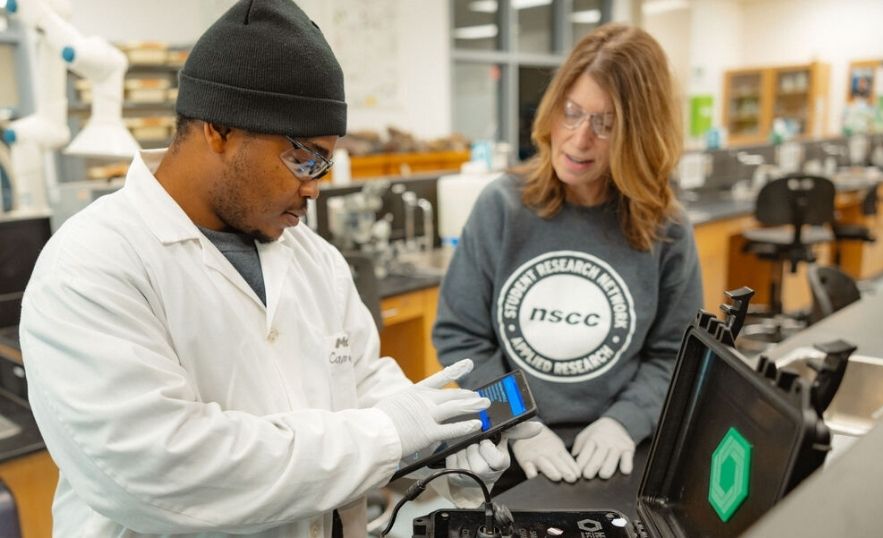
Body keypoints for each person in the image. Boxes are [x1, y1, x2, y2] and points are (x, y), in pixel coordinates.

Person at [19, 2, 538, 537]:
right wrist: (385, 435)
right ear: (219, 129)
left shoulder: (313, 258)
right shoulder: (91, 266)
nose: (316, 186)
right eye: (305, 159)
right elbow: (160, 467)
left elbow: (358, 381)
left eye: (327, 164)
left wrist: (440, 446)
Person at [433, 23, 703, 489]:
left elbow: (675, 353)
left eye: (606, 125)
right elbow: (461, 338)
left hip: (616, 448)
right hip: (509, 445)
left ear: (639, 136)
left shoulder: (666, 229)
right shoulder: (502, 206)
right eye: (572, 112)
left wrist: (628, 419)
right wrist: (516, 421)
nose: (579, 140)